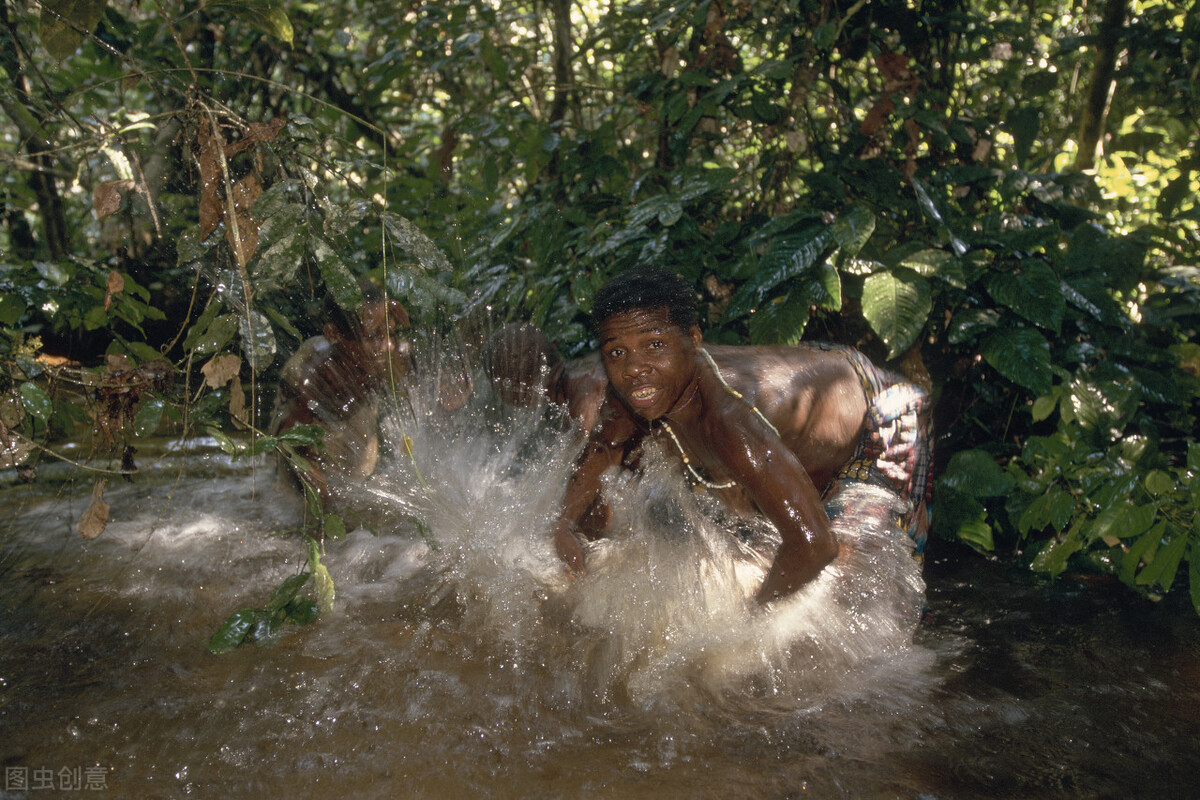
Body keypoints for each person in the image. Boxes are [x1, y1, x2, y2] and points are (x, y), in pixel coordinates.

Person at [550, 266, 931, 604]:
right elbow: (605, 447)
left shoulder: (730, 426)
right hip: (812, 377)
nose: (634, 369)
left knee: (867, 602)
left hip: (876, 416)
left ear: (694, 339)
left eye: (654, 345)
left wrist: (750, 624)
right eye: (617, 353)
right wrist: (564, 524)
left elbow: (815, 547)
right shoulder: (634, 392)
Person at [269, 288, 412, 505]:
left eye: (390, 332)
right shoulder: (313, 376)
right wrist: (327, 506)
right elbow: (296, 451)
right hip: (304, 426)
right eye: (373, 336)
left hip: (353, 414)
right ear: (334, 334)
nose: (387, 345)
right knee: (297, 502)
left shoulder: (389, 355)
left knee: (360, 484)